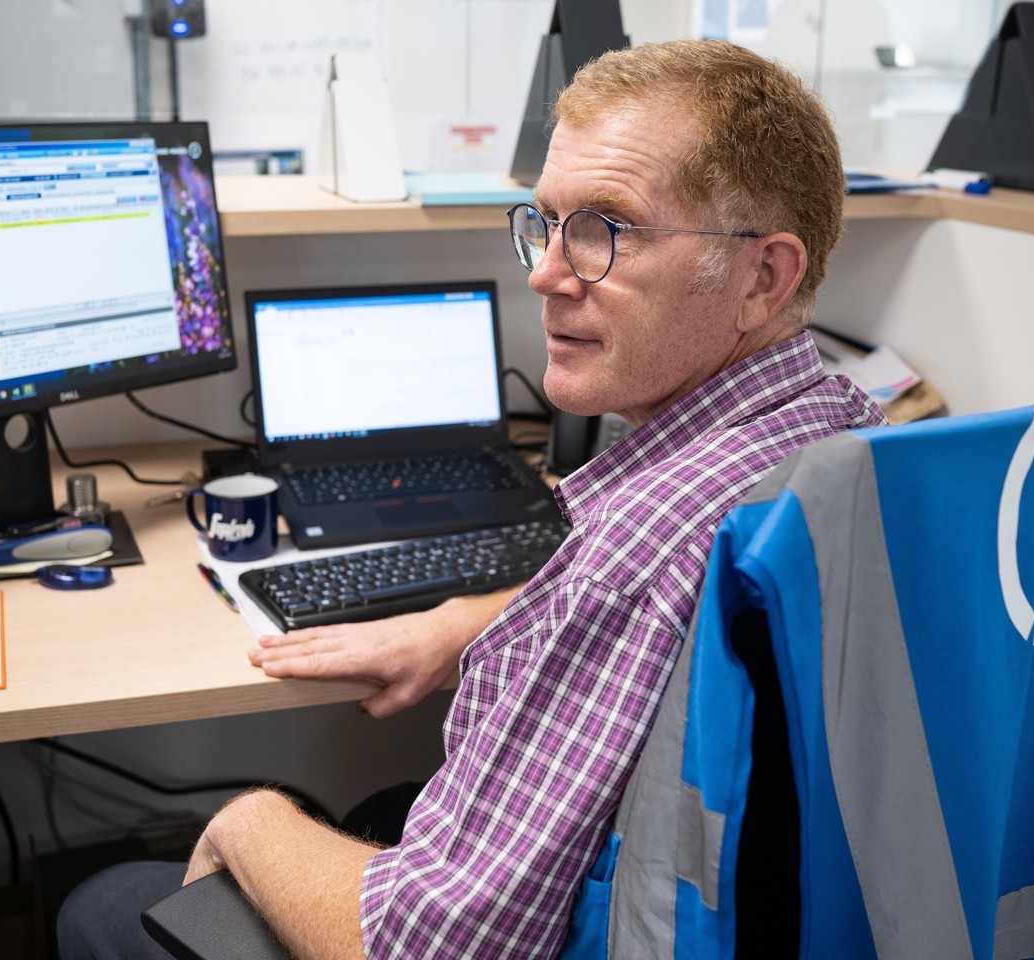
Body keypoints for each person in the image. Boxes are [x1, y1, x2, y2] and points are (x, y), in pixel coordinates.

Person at [58, 38, 886, 959]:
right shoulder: (853, 435)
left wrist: (251, 818)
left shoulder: (635, 553)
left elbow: (438, 946)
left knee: (102, 902)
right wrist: (468, 622)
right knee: (387, 805)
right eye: (546, 223)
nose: (546, 273)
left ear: (762, 277)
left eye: (607, 229)